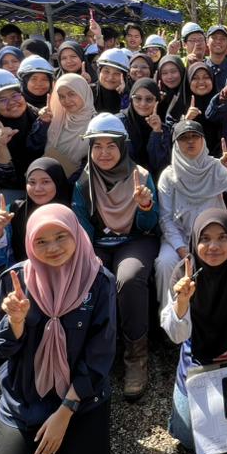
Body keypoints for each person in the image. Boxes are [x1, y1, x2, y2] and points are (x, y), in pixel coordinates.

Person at [0, 203, 116, 454]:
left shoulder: (98, 281)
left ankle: (60, 452)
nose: (53, 248)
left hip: (81, 401)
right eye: (41, 241)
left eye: (61, 237)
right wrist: (15, 322)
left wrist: (64, 413)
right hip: (25, 399)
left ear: (77, 235)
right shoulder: (16, 281)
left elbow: (100, 357)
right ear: (29, 243)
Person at [162, 209, 227, 452]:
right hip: (198, 355)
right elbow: (177, 336)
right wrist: (182, 302)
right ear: (194, 241)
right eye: (205, 239)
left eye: (223, 237)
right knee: (189, 440)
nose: (214, 246)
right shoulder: (183, 276)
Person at [72, 114, 160, 400]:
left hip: (135, 240)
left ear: (123, 146)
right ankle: (93, 352)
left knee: (130, 278)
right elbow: (83, 227)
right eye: (97, 146)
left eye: (111, 146)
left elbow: (149, 226)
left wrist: (145, 205)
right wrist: (88, 257)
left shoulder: (142, 176)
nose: (104, 153)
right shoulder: (83, 181)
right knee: (91, 274)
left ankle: (136, 357)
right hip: (99, 242)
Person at [156, 121, 227, 309]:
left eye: (194, 136)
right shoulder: (169, 175)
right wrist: (183, 250)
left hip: (214, 237)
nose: (190, 142)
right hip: (179, 238)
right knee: (164, 263)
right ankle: (170, 322)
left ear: (203, 140)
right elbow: (165, 218)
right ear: (176, 143)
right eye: (183, 138)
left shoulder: (216, 166)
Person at [119, 78, 173, 181]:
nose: (143, 104)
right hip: (124, 182)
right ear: (131, 99)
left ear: (157, 101)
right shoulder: (119, 123)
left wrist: (156, 132)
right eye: (138, 98)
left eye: (149, 99)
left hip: (153, 183)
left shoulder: (163, 129)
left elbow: (160, 165)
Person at [43, 73, 96, 177]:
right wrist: (42, 124)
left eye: (72, 94)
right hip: (46, 182)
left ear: (83, 93)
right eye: (61, 96)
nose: (66, 101)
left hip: (78, 185)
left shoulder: (96, 124)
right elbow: (34, 149)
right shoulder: (55, 118)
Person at [164, 61, 222, 153]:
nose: (201, 82)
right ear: (188, 81)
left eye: (206, 77)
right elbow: (167, 137)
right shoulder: (178, 104)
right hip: (187, 160)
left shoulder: (221, 103)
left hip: (219, 161)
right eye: (195, 78)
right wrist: (185, 121)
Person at [93, 48, 131, 113]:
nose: (110, 77)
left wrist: (124, 96)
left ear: (124, 77)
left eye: (117, 73)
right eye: (106, 71)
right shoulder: (88, 93)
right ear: (99, 71)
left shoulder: (130, 97)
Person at [204, 24, 227, 91]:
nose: (218, 41)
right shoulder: (200, 68)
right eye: (214, 37)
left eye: (222, 38)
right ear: (207, 41)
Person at [156, 54, 186, 119]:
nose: (169, 77)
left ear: (181, 71)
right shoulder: (157, 97)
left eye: (173, 71)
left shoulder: (190, 95)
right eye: (164, 73)